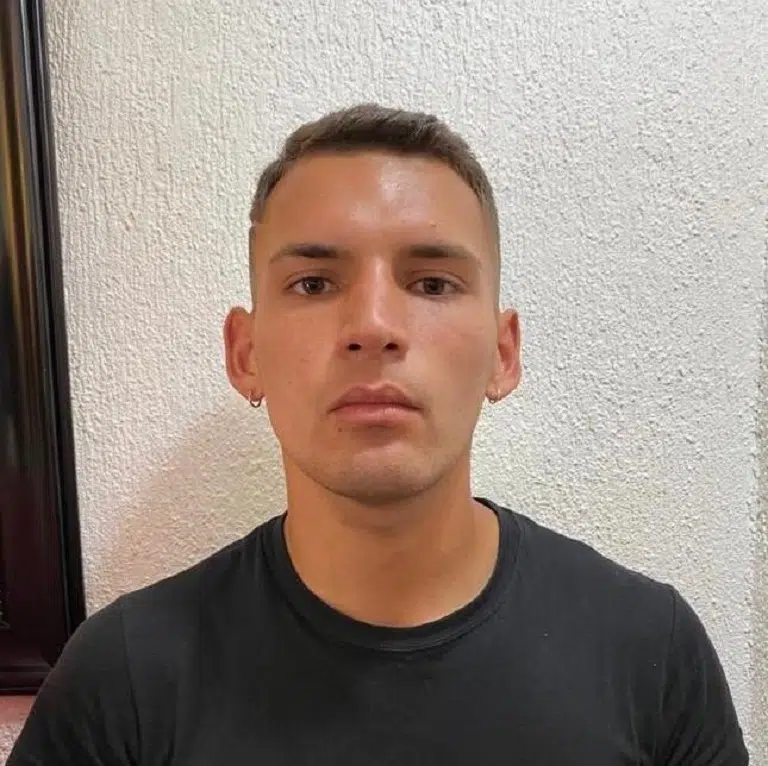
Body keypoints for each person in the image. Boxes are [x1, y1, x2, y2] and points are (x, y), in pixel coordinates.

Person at [9, 103, 748, 765]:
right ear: (246, 353)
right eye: (313, 284)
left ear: (502, 354)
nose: (372, 325)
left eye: (432, 283)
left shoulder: (649, 654)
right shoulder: (123, 681)